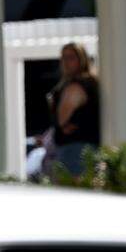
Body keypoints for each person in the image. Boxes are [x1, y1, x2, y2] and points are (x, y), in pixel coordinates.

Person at [46, 42, 101, 176]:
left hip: (75, 150)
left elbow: (62, 119)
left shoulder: (78, 84)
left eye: (71, 57)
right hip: (77, 148)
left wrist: (62, 124)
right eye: (63, 57)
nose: (65, 62)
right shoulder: (83, 83)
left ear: (81, 59)